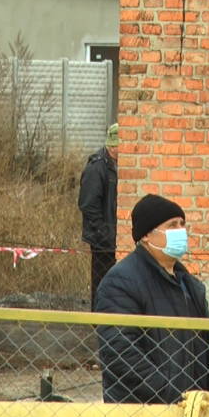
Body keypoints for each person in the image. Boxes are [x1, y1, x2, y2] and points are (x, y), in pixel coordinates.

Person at [95, 194, 209, 404]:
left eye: (182, 224)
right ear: (146, 234)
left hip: (195, 410)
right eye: (172, 225)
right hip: (149, 411)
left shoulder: (189, 285)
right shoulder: (120, 282)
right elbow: (122, 357)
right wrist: (176, 396)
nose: (181, 231)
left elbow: (207, 354)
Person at [79, 123, 120, 311]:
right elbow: (88, 205)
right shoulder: (98, 167)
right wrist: (106, 235)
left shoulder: (115, 165)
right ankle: (100, 318)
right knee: (102, 282)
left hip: (114, 239)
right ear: (113, 146)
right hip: (102, 241)